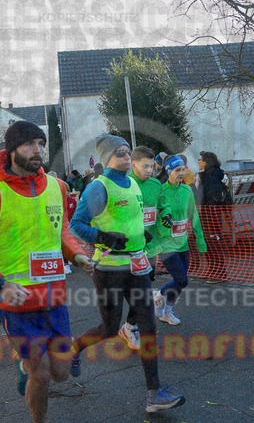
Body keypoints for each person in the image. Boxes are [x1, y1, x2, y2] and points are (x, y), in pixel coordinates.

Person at [0, 120, 94, 423]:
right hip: (16, 305)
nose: (38, 150)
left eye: (41, 143)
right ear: (12, 150)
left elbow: (62, 232)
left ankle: (25, 365)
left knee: (61, 373)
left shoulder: (58, 187)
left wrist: (77, 255)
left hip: (55, 299)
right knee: (41, 375)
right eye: (29, 144)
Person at [69, 134, 185, 413]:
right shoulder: (99, 187)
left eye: (127, 152)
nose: (126, 156)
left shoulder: (132, 182)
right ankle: (74, 349)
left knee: (148, 326)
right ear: (107, 158)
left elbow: (131, 218)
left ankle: (154, 394)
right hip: (109, 269)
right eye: (120, 153)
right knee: (109, 329)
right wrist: (102, 236)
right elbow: (76, 225)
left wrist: (141, 234)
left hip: (137, 264)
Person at [119, 145, 172, 349]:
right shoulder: (125, 185)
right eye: (145, 166)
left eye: (152, 166)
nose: (150, 170)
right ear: (133, 164)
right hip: (130, 248)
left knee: (145, 288)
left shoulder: (156, 185)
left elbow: (164, 205)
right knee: (138, 293)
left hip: (150, 247)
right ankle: (130, 327)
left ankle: (130, 326)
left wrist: (166, 215)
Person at [153, 156, 208, 324]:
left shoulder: (187, 191)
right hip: (166, 244)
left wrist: (200, 240)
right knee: (182, 279)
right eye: (177, 170)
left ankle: (167, 312)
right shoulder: (160, 191)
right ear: (168, 171)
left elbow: (193, 215)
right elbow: (153, 217)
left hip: (183, 243)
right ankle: (158, 296)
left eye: (183, 170)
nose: (182, 173)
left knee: (181, 282)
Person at [196, 151, 231, 283]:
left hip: (211, 217)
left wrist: (208, 216)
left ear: (206, 162)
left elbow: (211, 199)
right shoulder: (207, 177)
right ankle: (212, 269)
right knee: (207, 244)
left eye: (200, 160)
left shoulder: (212, 179)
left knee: (214, 244)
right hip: (206, 216)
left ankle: (220, 273)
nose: (198, 162)